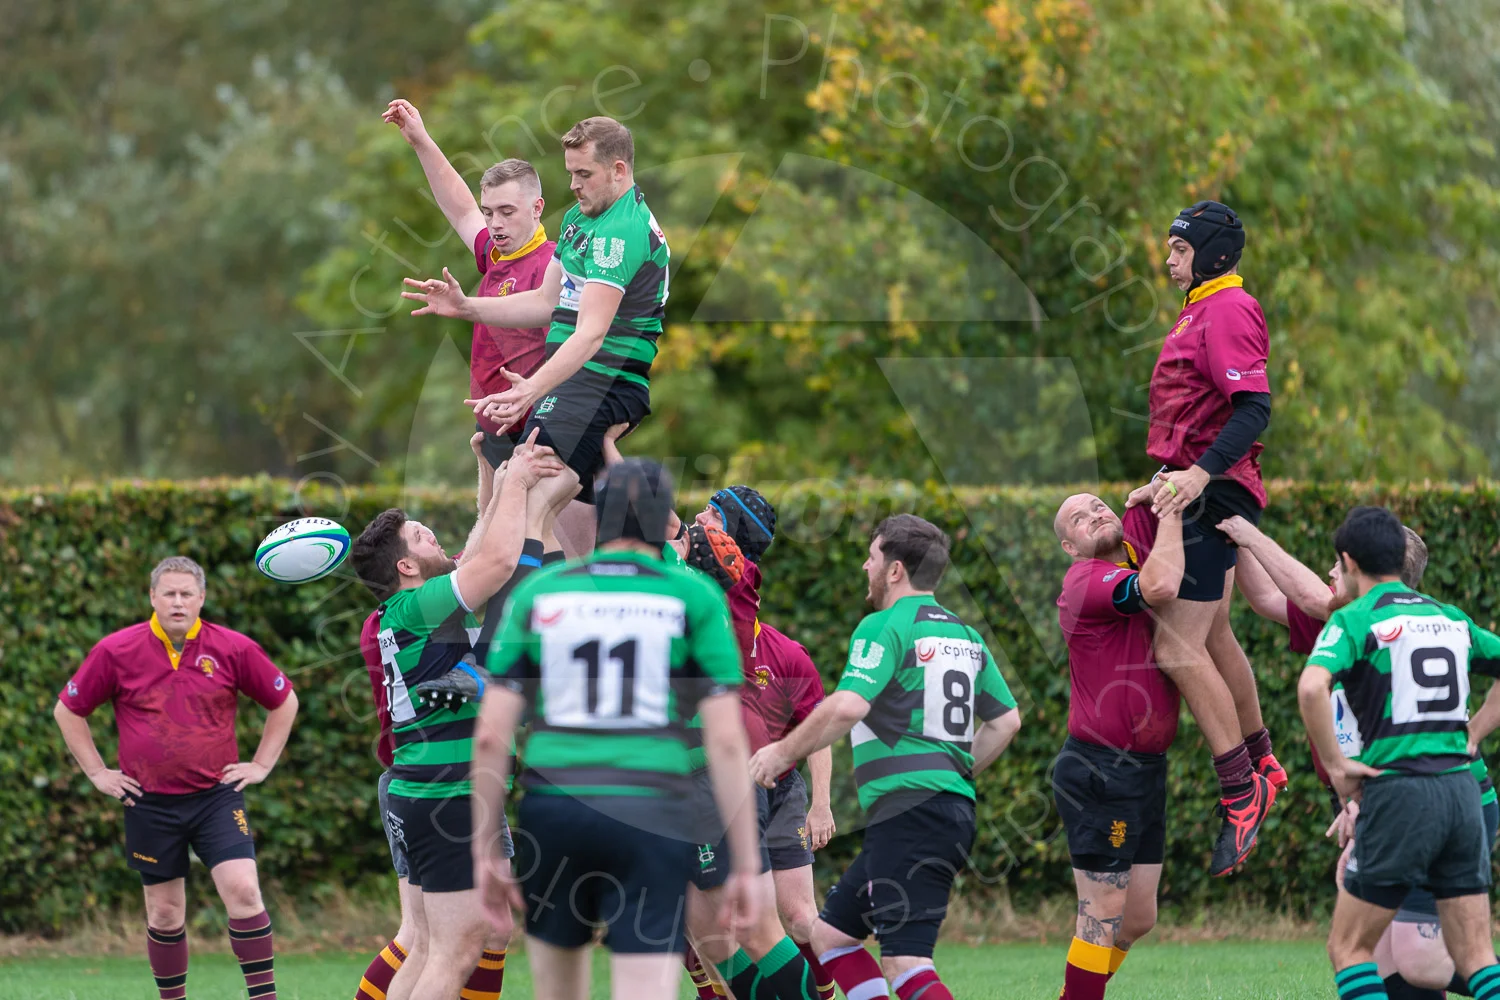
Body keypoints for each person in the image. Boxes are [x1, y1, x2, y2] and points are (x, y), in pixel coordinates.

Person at [472, 458, 760, 1000]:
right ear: (664, 520)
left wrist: (486, 847)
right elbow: (725, 741)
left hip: (556, 808)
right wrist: (745, 862)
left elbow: (491, 736)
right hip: (653, 808)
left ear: (600, 518)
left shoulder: (542, 592)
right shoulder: (694, 595)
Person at [1221, 514, 1500, 1000]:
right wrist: (1470, 735)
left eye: (1334, 564)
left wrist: (1339, 770)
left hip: (1403, 793)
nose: (1329, 575)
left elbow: (1311, 687)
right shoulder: (1449, 616)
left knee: (1358, 950)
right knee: (1432, 959)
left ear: (1350, 562)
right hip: (1457, 790)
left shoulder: (1354, 620)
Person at [749, 514, 1022, 1000]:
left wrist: (781, 751)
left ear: (895, 570)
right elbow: (1006, 722)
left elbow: (848, 706)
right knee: (831, 937)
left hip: (910, 814)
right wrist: (954, 773)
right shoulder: (966, 636)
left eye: (871, 557)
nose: (864, 567)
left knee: (906, 964)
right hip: (940, 811)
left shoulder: (884, 625)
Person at [349, 433, 565, 1000]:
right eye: (423, 536)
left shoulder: (420, 608)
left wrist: (493, 470)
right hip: (446, 792)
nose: (435, 537)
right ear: (406, 565)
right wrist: (521, 480)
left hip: (435, 788)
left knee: (436, 946)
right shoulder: (417, 608)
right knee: (455, 950)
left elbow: (480, 545)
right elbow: (496, 560)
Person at [402, 115, 669, 545]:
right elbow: (546, 300)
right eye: (571, 173)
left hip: (587, 387)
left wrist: (530, 389)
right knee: (520, 512)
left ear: (618, 170)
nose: (574, 185)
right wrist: (466, 307)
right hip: (540, 403)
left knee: (528, 515)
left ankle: (683, 549)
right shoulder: (575, 223)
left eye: (584, 174)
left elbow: (590, 335)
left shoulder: (614, 234)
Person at [54, 556, 299, 1000]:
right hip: (148, 802)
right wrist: (96, 772)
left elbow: (284, 701)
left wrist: (262, 764)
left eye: (187, 594)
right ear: (153, 597)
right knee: (165, 914)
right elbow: (68, 710)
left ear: (202, 598)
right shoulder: (115, 650)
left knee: (244, 891)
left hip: (216, 798)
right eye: (169, 593)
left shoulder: (234, 648)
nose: (178, 602)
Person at [1133, 198, 1279, 877]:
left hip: (1210, 492)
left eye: (1180, 248)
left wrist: (1196, 475)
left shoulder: (1226, 308)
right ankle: (1263, 762)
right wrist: (1168, 477)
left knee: (1175, 645)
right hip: (1197, 486)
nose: (1168, 258)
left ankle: (1240, 792)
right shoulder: (1202, 307)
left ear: (1214, 254)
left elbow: (1255, 408)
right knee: (1215, 635)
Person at [383, 98, 595, 559]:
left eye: (507, 212)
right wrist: (421, 140)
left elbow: (578, 337)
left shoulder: (556, 262)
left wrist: (465, 308)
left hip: (539, 436)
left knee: (558, 557)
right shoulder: (497, 255)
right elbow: (460, 208)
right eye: (490, 212)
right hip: (497, 436)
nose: (494, 224)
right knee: (500, 559)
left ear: (537, 208)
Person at [679, 523, 834, 1000]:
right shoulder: (706, 603)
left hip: (753, 782)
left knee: (780, 921)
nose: (696, 521)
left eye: (709, 518)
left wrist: (821, 804)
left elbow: (820, 729)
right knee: (703, 930)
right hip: (693, 776)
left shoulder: (768, 641)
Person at [1051, 494, 1185, 999]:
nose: (1095, 514)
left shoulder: (1134, 560)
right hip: (1100, 768)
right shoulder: (1084, 578)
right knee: (1101, 912)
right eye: (1079, 518)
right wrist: (1172, 511)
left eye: (1099, 506)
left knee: (1139, 917)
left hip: (1145, 768)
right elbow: (1160, 585)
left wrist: (1164, 492)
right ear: (1070, 547)